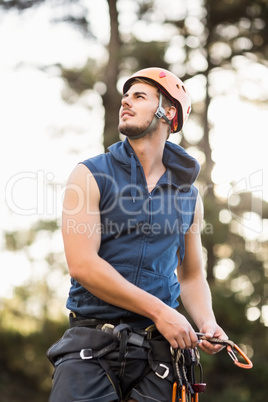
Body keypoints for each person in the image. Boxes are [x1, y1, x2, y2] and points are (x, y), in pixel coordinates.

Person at [47, 67, 227, 402]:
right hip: (91, 347)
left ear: (168, 112)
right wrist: (162, 312)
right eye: (125, 96)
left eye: (139, 96)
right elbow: (83, 265)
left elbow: (190, 275)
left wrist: (207, 322)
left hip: (160, 358)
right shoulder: (89, 174)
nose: (125, 102)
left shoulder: (188, 196)